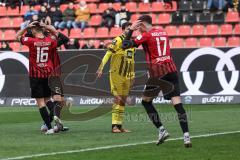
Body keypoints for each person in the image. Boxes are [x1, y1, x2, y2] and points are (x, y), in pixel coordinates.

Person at [122, 15, 192, 147]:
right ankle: (186, 136)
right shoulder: (163, 32)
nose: (138, 30)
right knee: (177, 104)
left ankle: (162, 130)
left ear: (142, 24)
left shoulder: (146, 35)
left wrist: (131, 30)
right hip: (171, 71)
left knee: (146, 101)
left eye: (139, 27)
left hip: (158, 74)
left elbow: (125, 45)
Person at [15, 21, 60, 134]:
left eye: (32, 30)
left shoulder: (31, 41)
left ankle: (49, 128)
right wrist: (46, 27)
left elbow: (17, 36)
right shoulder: (50, 41)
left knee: (40, 103)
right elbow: (56, 33)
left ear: (34, 30)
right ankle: (55, 115)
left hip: (36, 75)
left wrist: (26, 27)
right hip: (48, 74)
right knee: (47, 99)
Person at [96, 22, 136, 133]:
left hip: (127, 75)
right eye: (127, 29)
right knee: (118, 98)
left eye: (130, 29)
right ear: (123, 30)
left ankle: (119, 125)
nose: (129, 31)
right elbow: (108, 54)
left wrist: (132, 75)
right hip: (116, 74)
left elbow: (131, 60)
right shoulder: (117, 40)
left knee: (123, 101)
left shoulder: (132, 43)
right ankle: (114, 126)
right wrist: (101, 67)